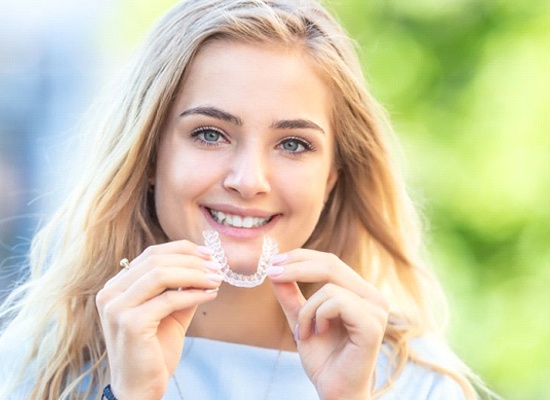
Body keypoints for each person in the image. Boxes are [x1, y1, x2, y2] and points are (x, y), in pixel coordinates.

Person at [0, 0, 497, 399]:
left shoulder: (418, 385)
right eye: (211, 134)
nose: (248, 180)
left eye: (293, 144)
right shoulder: (36, 369)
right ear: (149, 155)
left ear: (331, 178)